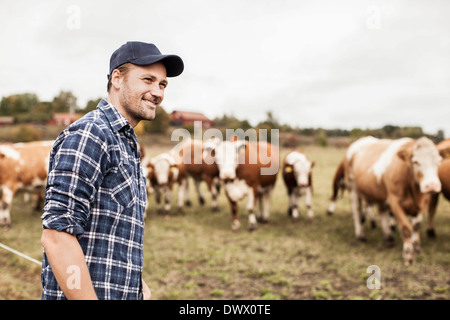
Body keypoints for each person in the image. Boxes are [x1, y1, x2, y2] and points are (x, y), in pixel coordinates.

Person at [40, 41, 184, 300]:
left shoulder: (125, 142)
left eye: (162, 84)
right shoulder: (91, 135)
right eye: (148, 80)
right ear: (117, 78)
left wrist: (135, 282)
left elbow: (112, 227)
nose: (158, 92)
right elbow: (57, 237)